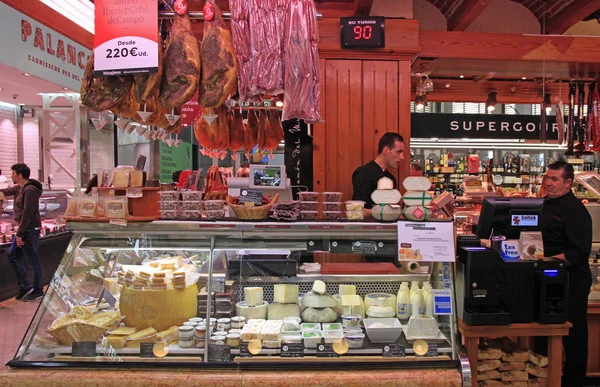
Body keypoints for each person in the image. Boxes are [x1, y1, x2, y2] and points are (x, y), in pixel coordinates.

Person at [538, 160, 592, 387]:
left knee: (574, 337)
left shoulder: (576, 210)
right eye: (547, 178)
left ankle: (574, 383)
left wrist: (547, 259)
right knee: (544, 336)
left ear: (568, 182)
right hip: (548, 277)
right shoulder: (545, 204)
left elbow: (579, 252)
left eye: (554, 179)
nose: (548, 183)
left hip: (572, 281)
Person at [1, 164, 44, 302]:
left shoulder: (30, 190)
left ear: (20, 175)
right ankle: (25, 286)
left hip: (29, 230)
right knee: (13, 255)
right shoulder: (20, 188)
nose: (11, 176)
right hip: (24, 229)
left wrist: (19, 233)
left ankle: (38, 290)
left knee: (33, 261)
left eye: (13, 173)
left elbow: (27, 214)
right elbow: (6, 191)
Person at [352, 132, 405, 210]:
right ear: (386, 150)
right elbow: (357, 209)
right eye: (398, 152)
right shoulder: (364, 173)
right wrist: (381, 212)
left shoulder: (390, 178)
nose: (402, 157)